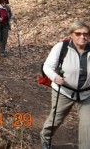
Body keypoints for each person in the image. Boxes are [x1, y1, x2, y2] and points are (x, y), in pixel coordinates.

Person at [40, 21, 90, 149]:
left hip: (86, 94)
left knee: (87, 125)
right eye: (78, 33)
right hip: (63, 92)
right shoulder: (61, 47)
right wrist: (55, 77)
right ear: (71, 34)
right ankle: (45, 139)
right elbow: (48, 66)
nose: (82, 37)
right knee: (55, 120)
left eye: (86, 34)